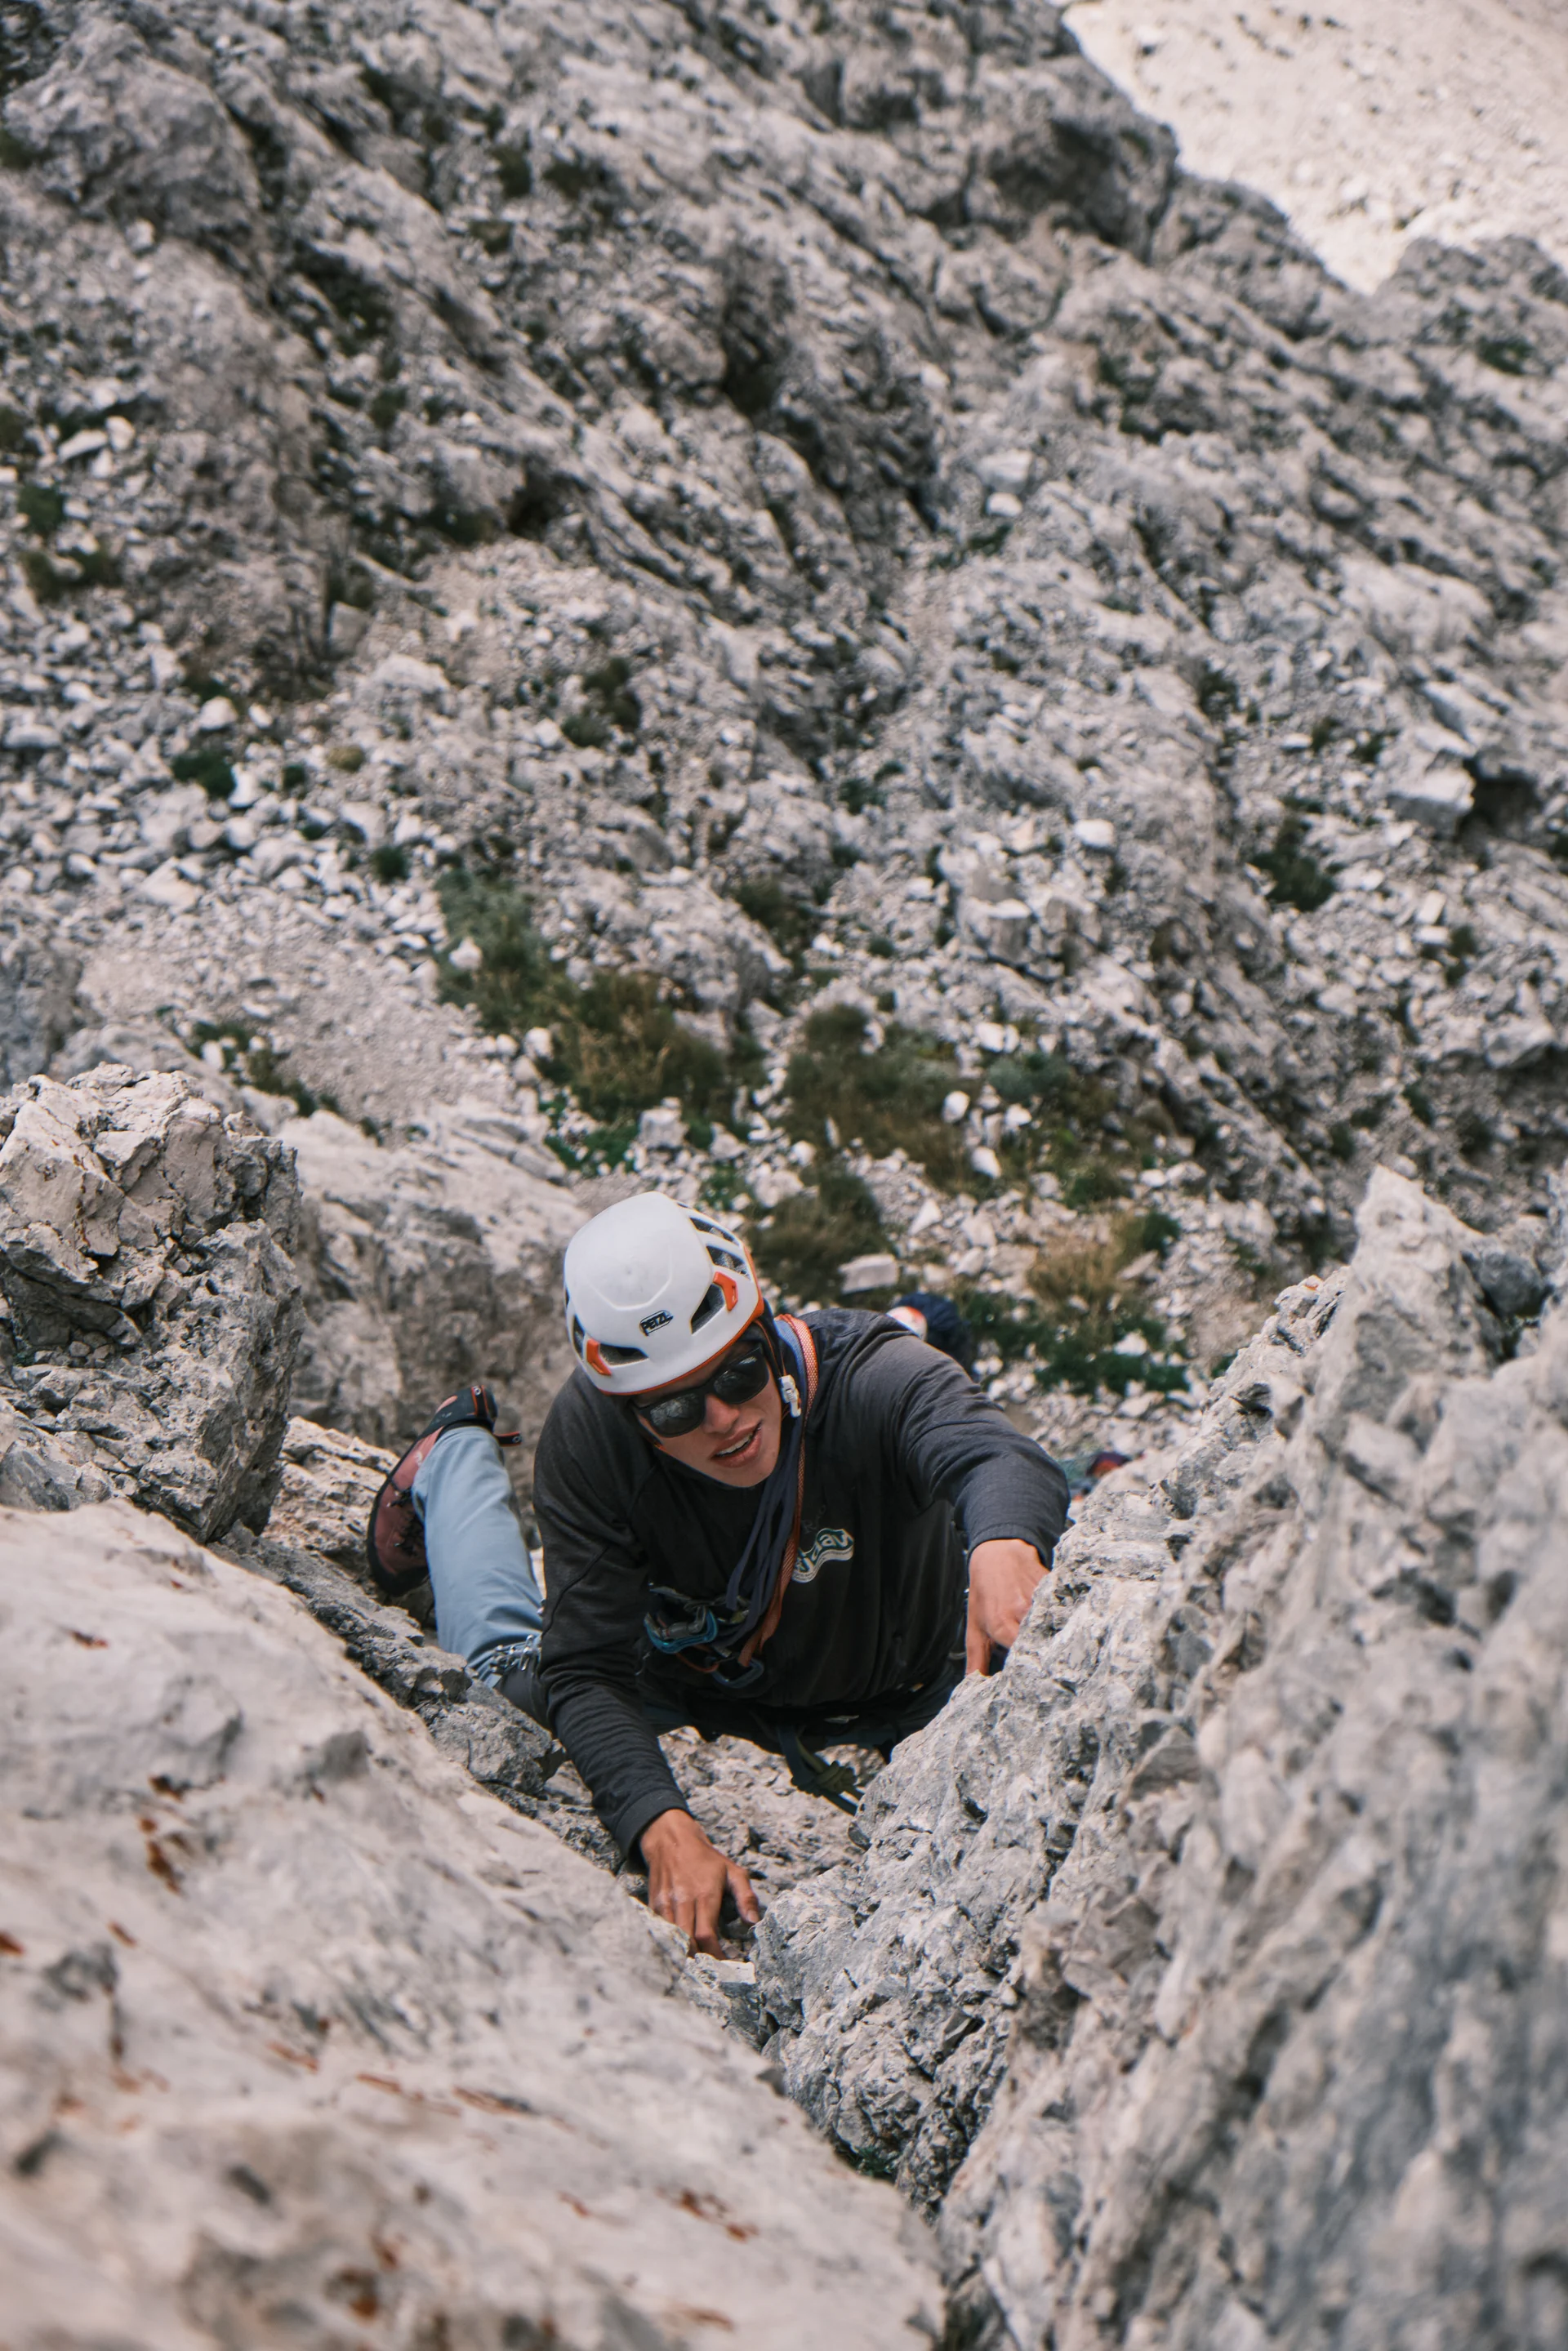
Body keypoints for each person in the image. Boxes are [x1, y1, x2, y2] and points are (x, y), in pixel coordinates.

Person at [368, 1195, 1068, 1957]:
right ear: (630, 1412)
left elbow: (996, 1454)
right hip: (691, 1684)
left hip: (911, 1686)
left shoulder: (866, 1370)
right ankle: (459, 1453)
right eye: (673, 1410)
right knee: (497, 1687)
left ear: (765, 1331)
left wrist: (1003, 1540)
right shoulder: (594, 1443)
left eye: (739, 1372)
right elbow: (589, 1668)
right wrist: (658, 1821)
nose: (722, 1418)